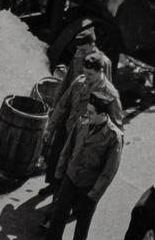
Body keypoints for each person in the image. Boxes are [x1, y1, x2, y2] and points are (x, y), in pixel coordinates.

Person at [38, 91, 124, 240]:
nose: (87, 114)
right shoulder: (81, 122)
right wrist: (59, 174)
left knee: (82, 223)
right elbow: (67, 149)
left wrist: (94, 194)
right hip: (71, 177)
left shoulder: (114, 137)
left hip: (89, 186)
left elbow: (109, 172)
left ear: (103, 114)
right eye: (88, 110)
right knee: (58, 216)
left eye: (91, 112)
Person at [42, 51, 122, 194]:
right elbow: (62, 105)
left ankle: (63, 198)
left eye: (90, 74)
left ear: (101, 71)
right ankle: (54, 185)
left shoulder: (110, 93)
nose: (86, 77)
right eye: (85, 73)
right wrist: (50, 128)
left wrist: (103, 148)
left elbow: (117, 126)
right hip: (69, 131)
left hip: (87, 141)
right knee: (58, 162)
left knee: (74, 176)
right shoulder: (79, 81)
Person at [59, 25, 113, 95]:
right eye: (78, 49)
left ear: (92, 45)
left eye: (83, 50)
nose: (80, 53)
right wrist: (59, 97)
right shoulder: (77, 56)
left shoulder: (104, 62)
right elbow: (67, 80)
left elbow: (107, 89)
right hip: (74, 97)